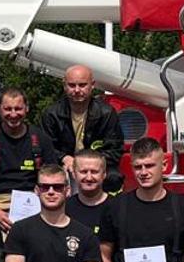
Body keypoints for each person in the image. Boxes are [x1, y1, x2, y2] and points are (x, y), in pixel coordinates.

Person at [0, 88, 51, 232]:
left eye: (18, 108)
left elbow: (53, 179)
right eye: (8, 109)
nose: (13, 114)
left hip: (33, 203)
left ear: (27, 108)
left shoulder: (41, 139)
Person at [40, 65, 126, 193]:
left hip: (96, 165)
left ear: (92, 85)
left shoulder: (106, 113)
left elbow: (115, 150)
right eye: (72, 85)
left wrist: (87, 164)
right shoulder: (51, 114)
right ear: (64, 86)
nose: (77, 90)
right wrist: (64, 158)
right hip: (64, 165)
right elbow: (46, 147)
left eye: (82, 85)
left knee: (113, 178)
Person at [65, 149, 115, 236]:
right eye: (83, 172)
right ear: (73, 174)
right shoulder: (64, 208)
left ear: (104, 174)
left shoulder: (117, 207)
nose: (89, 178)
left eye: (94, 172)